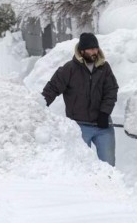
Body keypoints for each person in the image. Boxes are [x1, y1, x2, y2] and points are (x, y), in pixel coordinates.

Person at [42, 33, 118, 166]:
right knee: (82, 166)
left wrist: (104, 113)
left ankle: (108, 186)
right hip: (79, 127)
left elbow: (111, 91)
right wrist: (39, 107)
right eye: (90, 49)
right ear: (82, 51)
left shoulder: (104, 68)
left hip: (103, 125)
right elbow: (52, 88)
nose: (94, 51)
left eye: (96, 48)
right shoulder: (69, 69)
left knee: (108, 164)